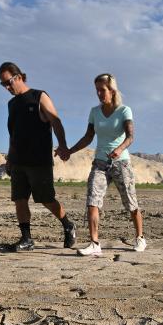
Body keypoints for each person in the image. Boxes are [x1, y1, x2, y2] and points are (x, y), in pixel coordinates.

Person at [0, 61, 77, 252]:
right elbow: (13, 133)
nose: (7, 87)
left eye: (8, 82)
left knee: (46, 199)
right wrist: (9, 158)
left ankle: (68, 225)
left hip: (38, 160)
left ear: (19, 77)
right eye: (3, 85)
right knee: (19, 199)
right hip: (18, 160)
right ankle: (26, 239)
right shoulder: (11, 104)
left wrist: (63, 145)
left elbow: (56, 121)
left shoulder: (39, 96)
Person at [65, 72, 145, 256]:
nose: (99, 94)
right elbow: (88, 137)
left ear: (112, 90)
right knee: (92, 202)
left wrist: (119, 149)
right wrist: (69, 151)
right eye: (97, 91)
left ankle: (140, 237)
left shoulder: (124, 110)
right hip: (100, 162)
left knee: (131, 203)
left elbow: (131, 136)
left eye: (102, 90)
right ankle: (94, 243)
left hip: (121, 163)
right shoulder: (94, 112)